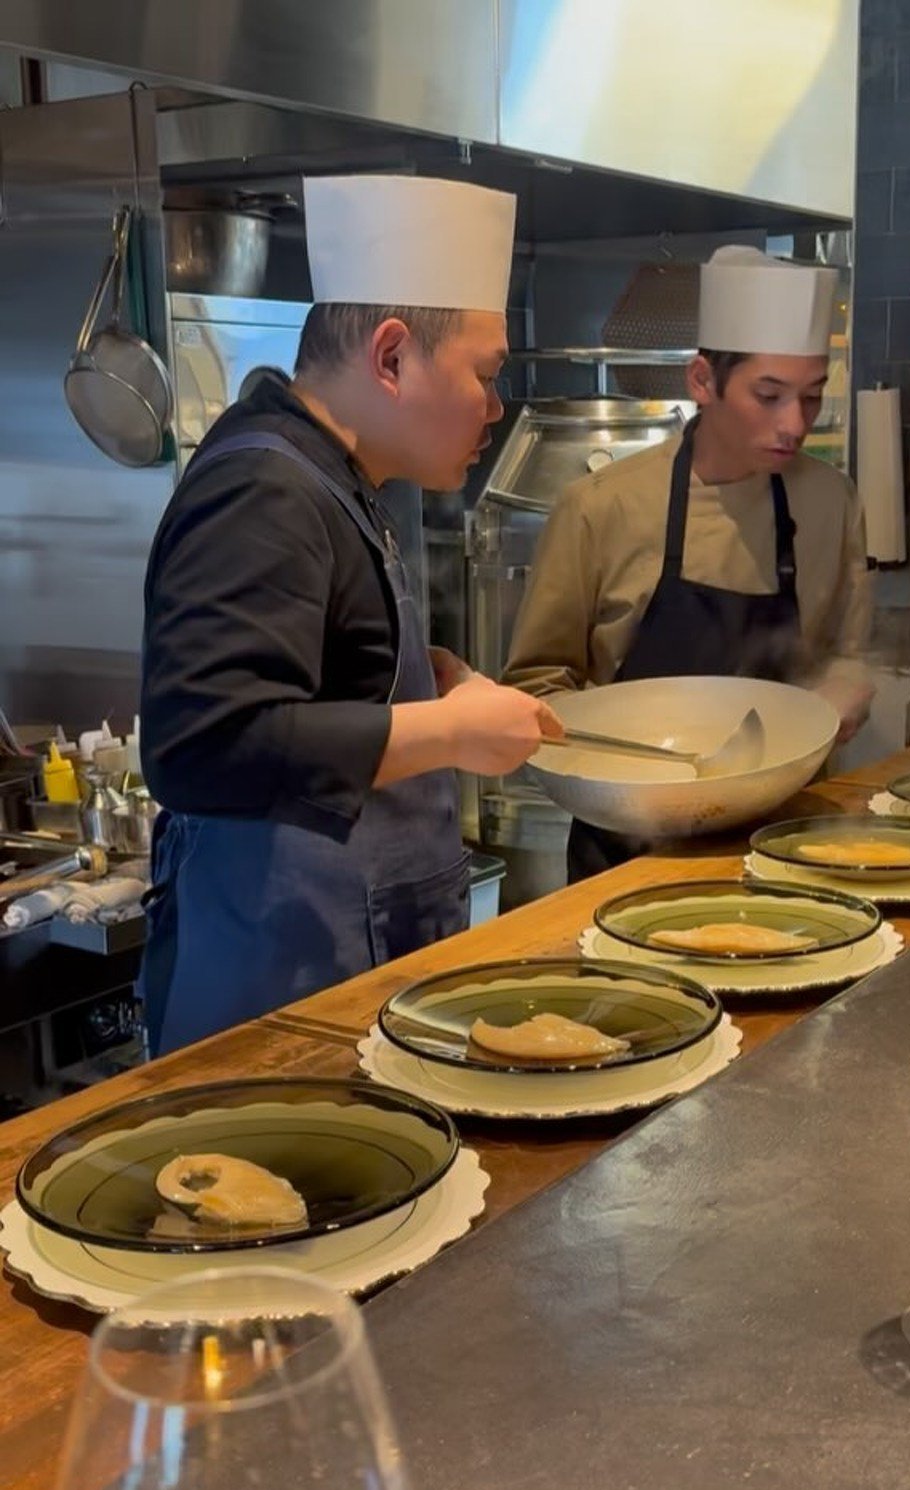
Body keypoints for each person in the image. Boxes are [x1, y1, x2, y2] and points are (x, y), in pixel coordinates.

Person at [140, 175, 562, 1055]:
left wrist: (419, 670)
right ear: (392, 355)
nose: (496, 406)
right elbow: (204, 746)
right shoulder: (265, 488)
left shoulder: (335, 473)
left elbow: (311, 671)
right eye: (485, 375)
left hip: (338, 976)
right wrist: (447, 732)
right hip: (274, 1006)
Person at [503, 246, 874, 879]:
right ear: (702, 380)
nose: (795, 424)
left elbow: (847, 654)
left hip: (787, 844)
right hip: (625, 851)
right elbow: (537, 687)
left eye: (811, 397)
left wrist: (846, 689)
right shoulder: (602, 507)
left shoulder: (829, 501)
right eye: (769, 395)